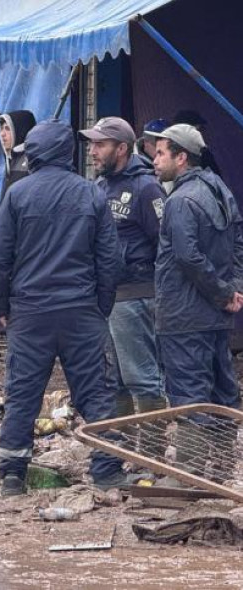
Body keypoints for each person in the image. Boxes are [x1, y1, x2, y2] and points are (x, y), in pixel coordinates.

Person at [0, 120, 130, 496]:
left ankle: (14, 475)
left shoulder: (18, 195)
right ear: (68, 153)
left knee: (23, 393)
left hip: (30, 313)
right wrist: (100, 306)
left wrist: (1, 306)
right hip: (81, 310)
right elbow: (110, 260)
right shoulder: (91, 195)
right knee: (97, 393)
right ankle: (106, 471)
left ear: (34, 153)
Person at [149, 124, 243, 481]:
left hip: (185, 316)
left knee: (189, 393)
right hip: (216, 316)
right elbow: (238, 244)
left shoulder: (180, 201)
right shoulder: (220, 190)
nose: (154, 160)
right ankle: (219, 469)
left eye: (160, 153)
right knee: (221, 391)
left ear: (181, 157)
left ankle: (188, 476)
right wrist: (233, 291)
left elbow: (187, 257)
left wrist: (223, 291)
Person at [80, 117, 167, 417]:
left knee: (141, 378)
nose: (92, 151)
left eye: (99, 144)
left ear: (121, 148)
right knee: (113, 380)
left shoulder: (147, 188)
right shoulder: (99, 186)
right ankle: (122, 451)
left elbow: (166, 244)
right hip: (105, 297)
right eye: (91, 143)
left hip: (136, 296)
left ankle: (151, 455)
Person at [0, 110, 36, 201]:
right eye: (1, 128)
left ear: (20, 130)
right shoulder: (11, 159)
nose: (2, 134)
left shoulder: (32, 162)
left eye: (7, 128)